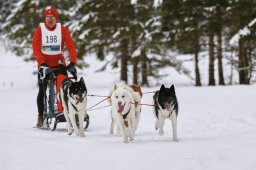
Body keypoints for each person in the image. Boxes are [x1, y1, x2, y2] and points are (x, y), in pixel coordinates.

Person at [32, 6, 77, 127]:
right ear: (45, 19)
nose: (50, 20)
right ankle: (41, 116)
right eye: (48, 17)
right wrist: (41, 63)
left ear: (56, 19)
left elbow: (71, 45)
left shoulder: (62, 30)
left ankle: (67, 111)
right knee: (42, 90)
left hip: (58, 63)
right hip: (44, 64)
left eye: (52, 18)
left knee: (66, 87)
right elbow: (36, 49)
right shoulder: (39, 30)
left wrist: (72, 62)